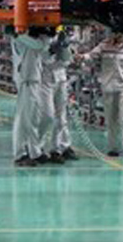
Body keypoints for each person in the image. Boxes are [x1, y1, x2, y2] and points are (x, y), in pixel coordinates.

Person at [91, 31, 123, 156]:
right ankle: (112, 148)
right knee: (111, 119)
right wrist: (79, 57)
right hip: (108, 87)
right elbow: (91, 56)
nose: (116, 35)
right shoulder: (104, 45)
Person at [11, 28, 54, 166]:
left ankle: (35, 152)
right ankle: (20, 154)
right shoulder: (19, 37)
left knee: (33, 119)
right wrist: (47, 34)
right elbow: (40, 46)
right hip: (26, 81)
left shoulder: (30, 38)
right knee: (24, 120)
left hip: (35, 80)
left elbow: (43, 50)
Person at [47, 28, 77, 160]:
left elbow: (67, 60)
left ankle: (61, 147)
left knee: (61, 116)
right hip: (45, 80)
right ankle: (38, 149)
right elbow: (43, 59)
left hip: (60, 78)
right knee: (46, 115)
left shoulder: (60, 37)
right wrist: (52, 48)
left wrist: (64, 46)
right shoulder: (40, 39)